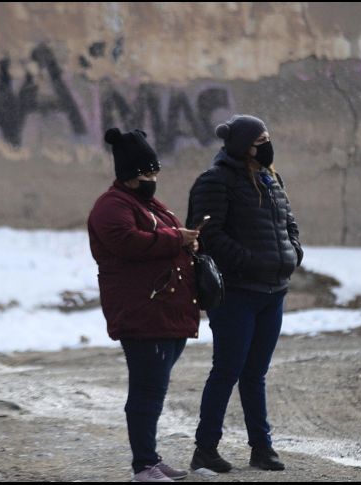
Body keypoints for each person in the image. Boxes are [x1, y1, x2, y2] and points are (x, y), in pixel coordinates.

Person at [186, 114, 303, 473]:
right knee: (227, 370)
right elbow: (208, 235)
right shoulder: (215, 181)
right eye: (260, 141)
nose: (267, 146)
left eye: (267, 138)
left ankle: (261, 448)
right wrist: (250, 261)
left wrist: (292, 253)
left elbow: (288, 224)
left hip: (273, 291)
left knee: (255, 373)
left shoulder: (272, 179)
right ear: (242, 146)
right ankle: (205, 449)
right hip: (236, 293)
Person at [88, 128, 201, 482]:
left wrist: (188, 243)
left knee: (155, 389)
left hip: (164, 312)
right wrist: (176, 238)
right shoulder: (111, 207)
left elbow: (163, 239)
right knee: (146, 390)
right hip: (141, 312)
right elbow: (127, 242)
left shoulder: (148, 205)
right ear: (130, 174)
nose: (152, 180)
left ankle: (151, 458)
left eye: (154, 173)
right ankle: (143, 466)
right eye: (146, 174)